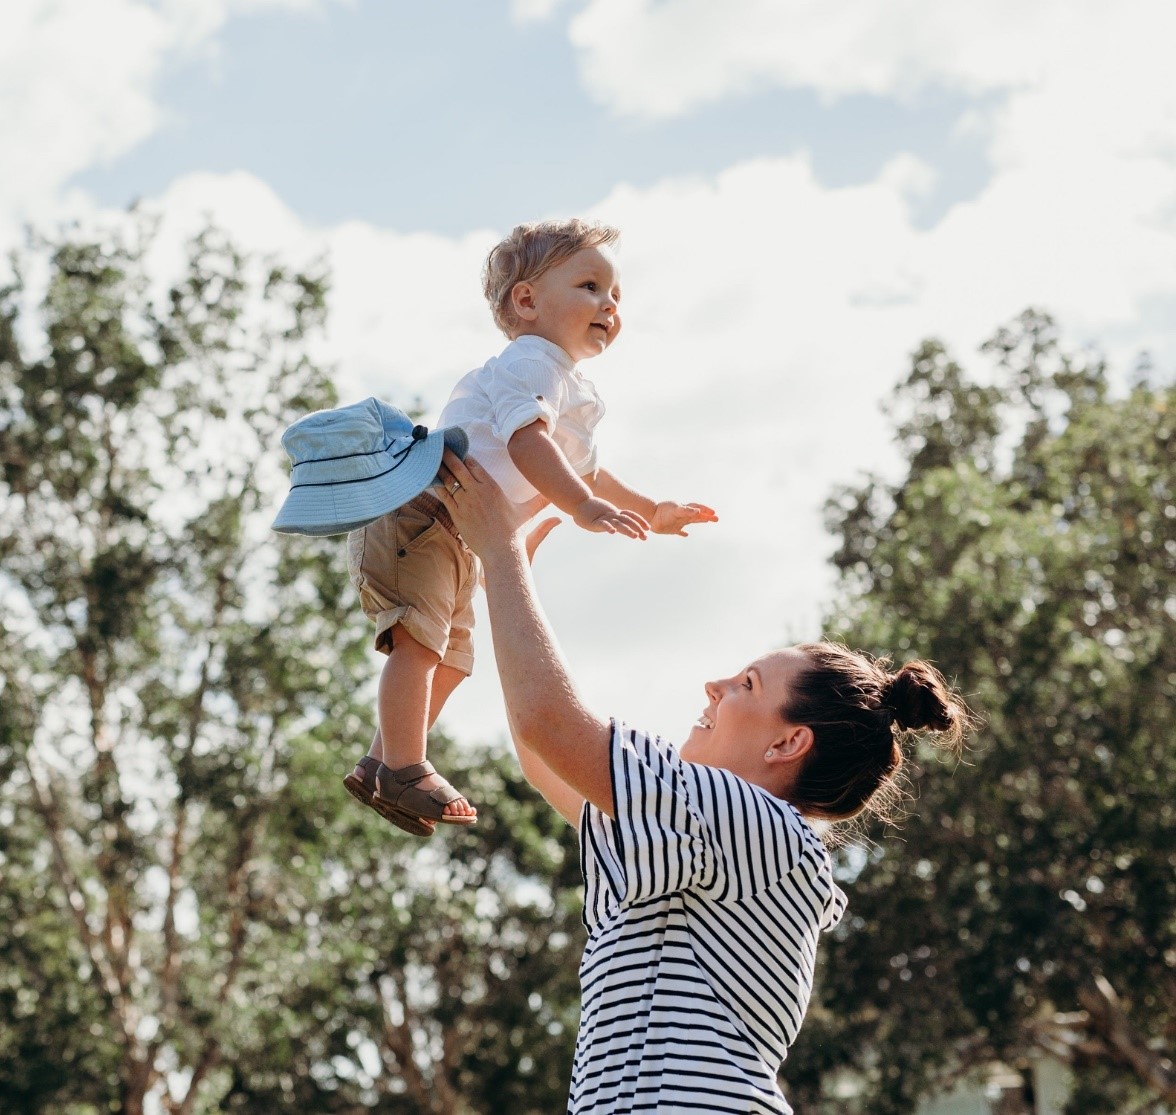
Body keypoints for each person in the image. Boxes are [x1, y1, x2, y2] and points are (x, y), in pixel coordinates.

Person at [433, 450, 971, 1113]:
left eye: (746, 684)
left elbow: (553, 727)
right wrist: (505, 577)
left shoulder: (756, 823)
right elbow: (546, 759)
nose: (713, 685)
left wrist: (504, 550)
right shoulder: (714, 833)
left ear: (787, 742)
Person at [340, 218, 716, 836]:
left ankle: (382, 761)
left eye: (616, 295)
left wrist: (653, 510)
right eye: (591, 286)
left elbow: (590, 473)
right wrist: (580, 507)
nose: (609, 305)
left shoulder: (569, 385)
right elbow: (526, 443)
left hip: (459, 534)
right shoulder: (530, 363)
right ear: (527, 300)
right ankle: (406, 765)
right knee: (421, 644)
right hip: (422, 512)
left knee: (454, 661)